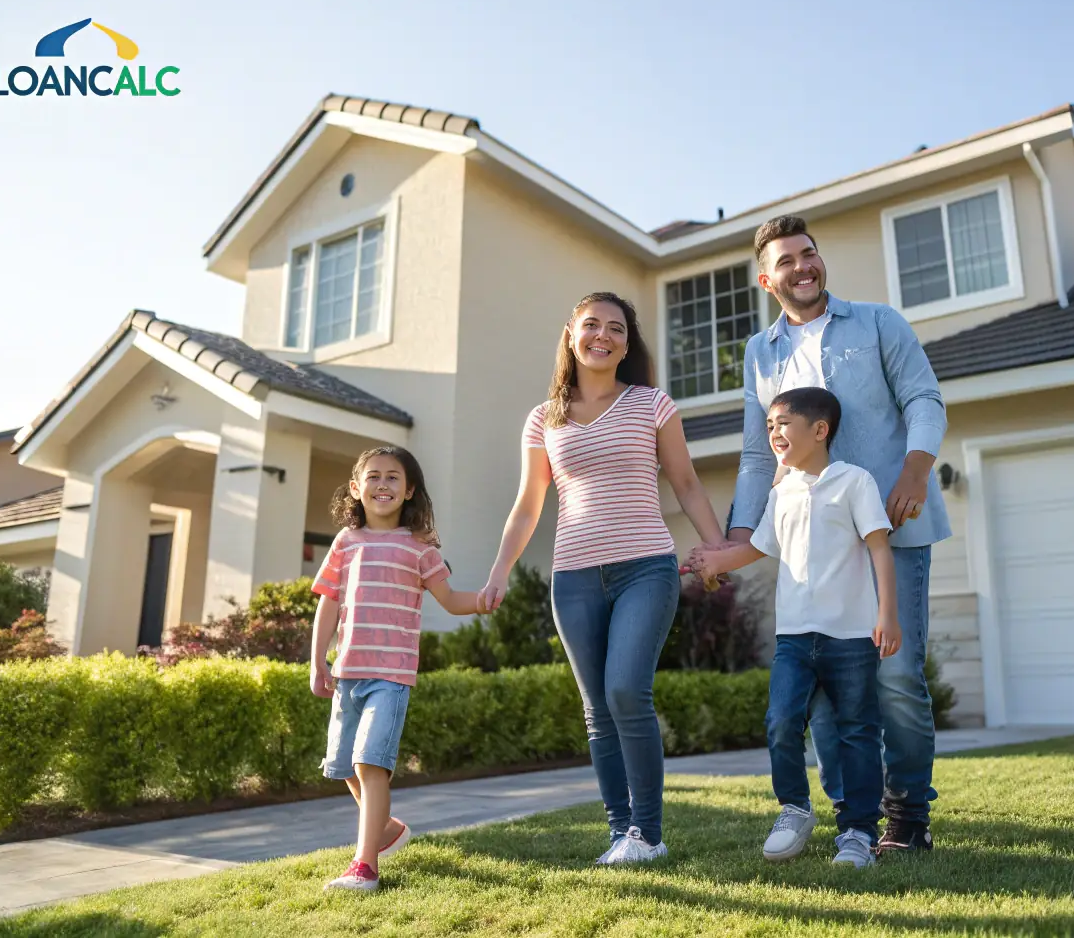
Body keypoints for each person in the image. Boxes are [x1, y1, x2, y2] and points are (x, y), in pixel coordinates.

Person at [726, 215, 950, 855]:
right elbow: (754, 455)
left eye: (809, 253)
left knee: (898, 675)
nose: (803, 267)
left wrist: (915, 467)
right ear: (768, 279)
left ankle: (907, 813)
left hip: (893, 526)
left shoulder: (879, 323)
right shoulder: (759, 353)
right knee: (824, 696)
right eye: (787, 261)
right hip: (812, 548)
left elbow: (923, 399)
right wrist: (739, 536)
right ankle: (856, 813)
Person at [479, 291, 726, 866]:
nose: (603, 336)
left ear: (626, 344)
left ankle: (649, 833)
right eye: (591, 325)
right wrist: (499, 573)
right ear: (570, 334)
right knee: (597, 707)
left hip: (645, 566)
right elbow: (527, 504)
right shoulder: (544, 418)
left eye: (616, 328)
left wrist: (716, 551)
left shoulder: (651, 404)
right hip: (574, 576)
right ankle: (622, 833)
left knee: (625, 691)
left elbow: (686, 484)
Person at [690, 387, 899, 867]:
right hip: (795, 638)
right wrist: (713, 562)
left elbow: (879, 548)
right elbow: (759, 547)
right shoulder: (781, 492)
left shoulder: (854, 482)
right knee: (781, 721)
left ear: (820, 430)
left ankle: (858, 833)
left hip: (851, 637)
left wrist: (887, 614)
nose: (773, 432)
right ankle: (794, 808)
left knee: (858, 733)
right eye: (769, 426)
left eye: (783, 422)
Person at [309, 445, 494, 892]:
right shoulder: (345, 543)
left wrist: (485, 598)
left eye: (394, 477)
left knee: (370, 764)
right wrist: (318, 661)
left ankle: (365, 866)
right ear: (356, 488)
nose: (383, 484)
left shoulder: (419, 547)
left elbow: (449, 600)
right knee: (344, 768)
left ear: (409, 491)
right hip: (349, 672)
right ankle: (387, 829)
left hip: (391, 677)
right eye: (373, 476)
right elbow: (328, 603)